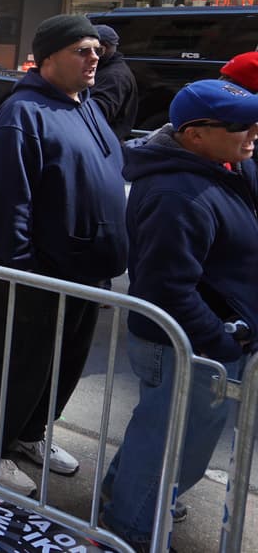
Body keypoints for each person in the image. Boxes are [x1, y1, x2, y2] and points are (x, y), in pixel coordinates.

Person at [0, 14, 128, 497]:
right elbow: (8, 201)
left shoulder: (87, 104)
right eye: (83, 50)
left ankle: (29, 434)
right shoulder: (23, 113)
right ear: (49, 57)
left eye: (97, 49)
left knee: (63, 364)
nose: (95, 57)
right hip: (39, 275)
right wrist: (24, 267)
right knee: (18, 364)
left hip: (86, 273)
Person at [101, 80, 258, 552]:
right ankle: (131, 529)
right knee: (174, 445)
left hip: (203, 339)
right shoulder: (179, 194)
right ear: (194, 135)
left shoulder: (227, 166)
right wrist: (223, 341)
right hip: (190, 346)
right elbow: (165, 289)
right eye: (241, 125)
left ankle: (127, 496)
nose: (254, 132)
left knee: (158, 433)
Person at [90, 24, 139, 140]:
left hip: (104, 142)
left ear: (103, 48)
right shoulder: (106, 70)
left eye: (92, 49)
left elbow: (97, 113)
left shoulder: (114, 76)